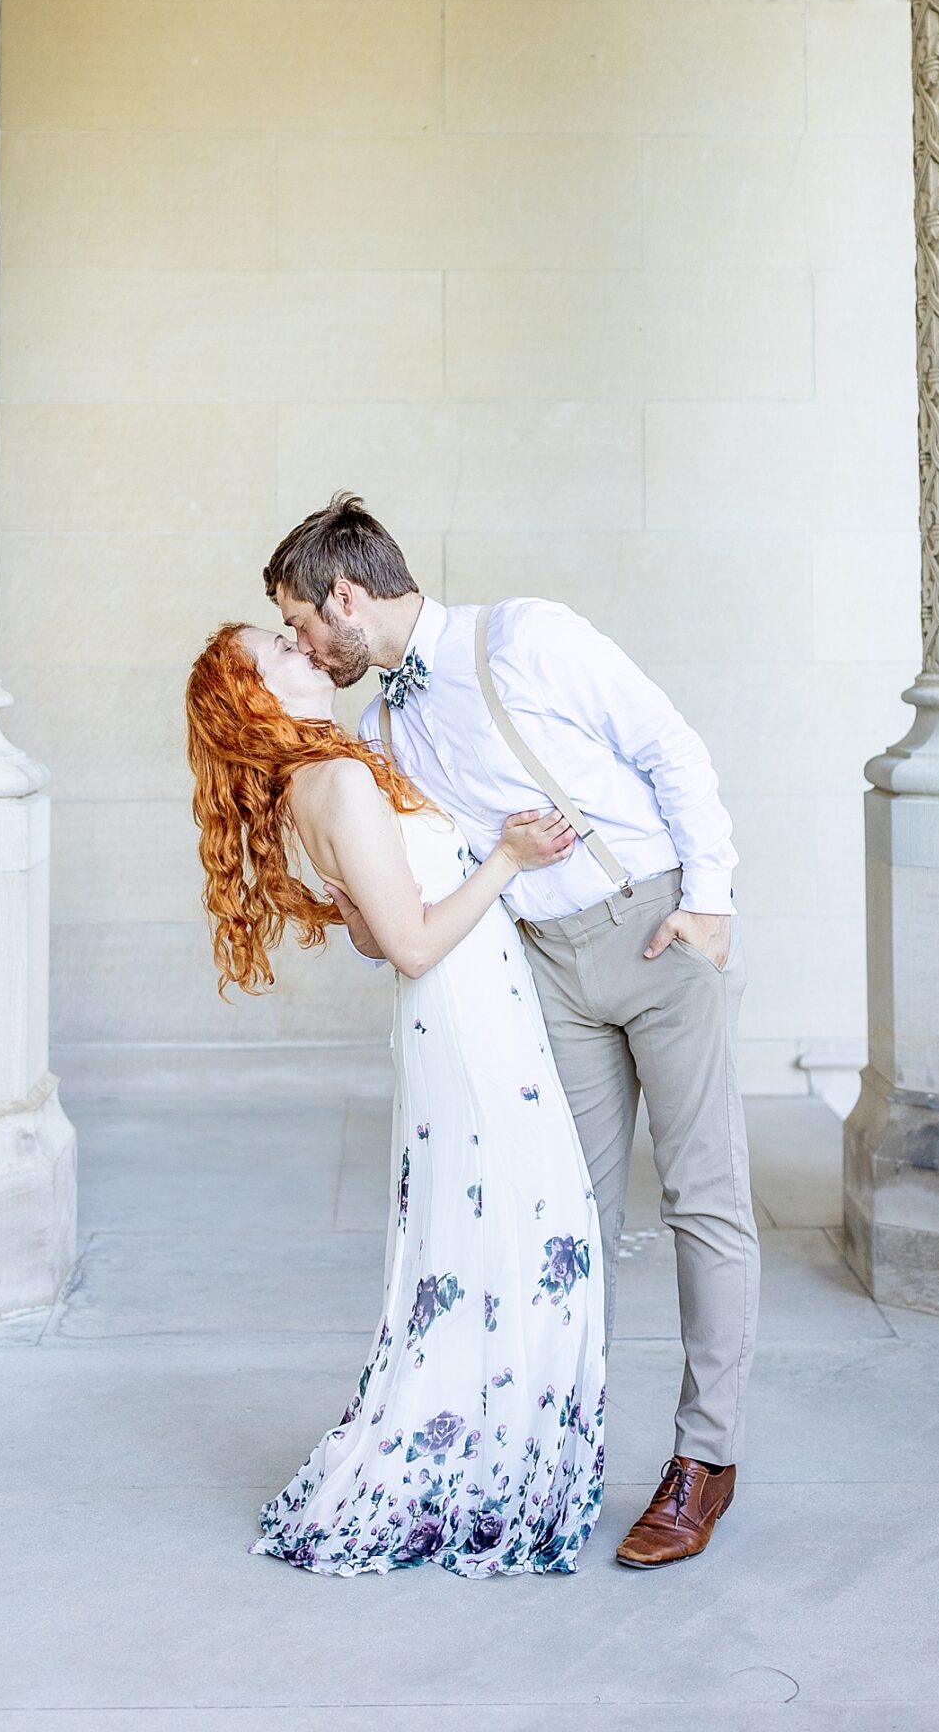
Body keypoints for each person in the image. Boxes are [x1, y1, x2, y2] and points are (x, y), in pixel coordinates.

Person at [265, 495, 760, 1571]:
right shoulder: (380, 730)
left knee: (703, 1198)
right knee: (570, 1221)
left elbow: (667, 744)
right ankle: (560, 1445)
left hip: (654, 924)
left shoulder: (527, 635)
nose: (304, 645)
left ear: (346, 596)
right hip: (545, 969)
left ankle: (704, 1460)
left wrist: (709, 899)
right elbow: (414, 891)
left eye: (302, 625)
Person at [185, 620, 606, 1577]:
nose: (307, 651)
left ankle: (500, 1461)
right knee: (527, 1234)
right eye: (282, 652)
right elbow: (409, 944)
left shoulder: (319, 781)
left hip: (470, 1009)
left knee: (509, 1234)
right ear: (255, 698)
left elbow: (377, 937)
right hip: (462, 1013)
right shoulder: (331, 784)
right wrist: (505, 859)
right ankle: (483, 1472)